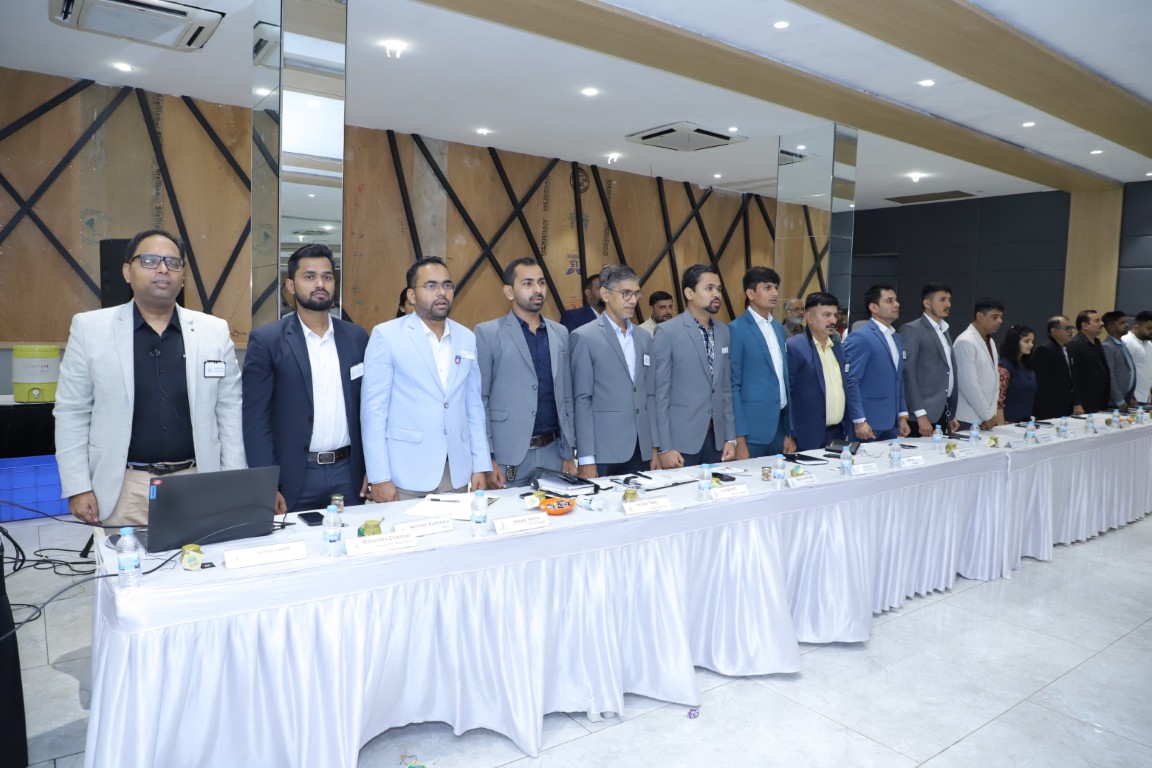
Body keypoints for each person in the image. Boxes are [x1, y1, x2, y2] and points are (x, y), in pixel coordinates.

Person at [54, 229, 245, 526]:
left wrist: (234, 481)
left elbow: (229, 412)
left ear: (183, 276)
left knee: (202, 557)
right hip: (123, 487)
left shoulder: (214, 331)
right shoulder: (90, 329)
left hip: (197, 480)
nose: (163, 269)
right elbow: (72, 413)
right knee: (124, 559)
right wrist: (78, 485)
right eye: (150, 261)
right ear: (127, 272)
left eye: (173, 262)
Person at [242, 244, 369, 514]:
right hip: (294, 477)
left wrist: (374, 468)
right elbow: (255, 420)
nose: (320, 284)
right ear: (290, 285)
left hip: (348, 473)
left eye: (327, 276)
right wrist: (266, 483)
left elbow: (368, 409)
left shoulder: (357, 338)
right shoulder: (267, 341)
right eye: (309, 276)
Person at [361, 256, 489, 501]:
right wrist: (379, 476)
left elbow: (473, 407)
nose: (441, 292)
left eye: (447, 285)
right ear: (411, 295)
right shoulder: (386, 335)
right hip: (405, 474)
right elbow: (373, 412)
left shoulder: (466, 337)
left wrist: (480, 464)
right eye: (431, 285)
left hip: (456, 473)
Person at [475, 258, 576, 488]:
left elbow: (567, 397)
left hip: (553, 454)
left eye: (541, 282)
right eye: (528, 283)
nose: (537, 289)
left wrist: (568, 452)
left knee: (557, 510)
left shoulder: (560, 333)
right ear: (509, 291)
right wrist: (487, 458)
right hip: (507, 457)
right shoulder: (488, 334)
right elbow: (480, 400)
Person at [571, 264, 658, 478]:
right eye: (626, 293)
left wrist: (654, 447)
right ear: (605, 294)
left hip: (640, 449)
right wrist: (586, 458)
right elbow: (582, 401)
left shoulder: (644, 337)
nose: (633, 300)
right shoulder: (584, 337)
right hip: (603, 451)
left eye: (636, 293)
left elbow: (650, 395)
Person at [652, 265, 736, 468]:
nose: (716, 294)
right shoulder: (667, 332)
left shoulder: (723, 331)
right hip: (680, 442)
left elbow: (725, 389)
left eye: (718, 289)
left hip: (717, 440)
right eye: (709, 288)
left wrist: (730, 438)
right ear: (689, 293)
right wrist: (664, 447)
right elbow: (659, 394)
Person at [729, 266, 794, 457]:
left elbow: (782, 380)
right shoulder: (736, 329)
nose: (774, 293)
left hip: (779, 430)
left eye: (775, 288)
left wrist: (787, 432)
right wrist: (739, 439)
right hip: (752, 432)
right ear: (750, 293)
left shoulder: (778, 328)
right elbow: (733, 385)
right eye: (767, 288)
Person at [843, 283, 910, 441]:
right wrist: (859, 420)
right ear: (874, 307)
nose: (896, 304)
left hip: (892, 423)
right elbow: (851, 381)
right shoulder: (861, 337)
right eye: (889, 301)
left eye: (896, 300)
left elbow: (898, 379)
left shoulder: (897, 338)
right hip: (867, 422)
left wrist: (902, 416)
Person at [786, 292, 848, 451]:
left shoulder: (837, 347)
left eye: (835, 315)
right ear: (810, 317)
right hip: (806, 437)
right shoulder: (795, 347)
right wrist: (789, 434)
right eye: (826, 315)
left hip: (837, 435)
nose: (833, 320)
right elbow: (787, 394)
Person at [899, 282, 960, 436]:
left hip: (943, 411)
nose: (948, 304)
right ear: (927, 303)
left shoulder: (944, 330)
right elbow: (908, 373)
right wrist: (920, 414)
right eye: (942, 299)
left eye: (949, 300)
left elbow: (947, 372)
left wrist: (951, 414)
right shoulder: (912, 329)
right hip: (921, 415)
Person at [954, 298, 1006, 430]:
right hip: (968, 418)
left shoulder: (990, 341)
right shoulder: (965, 341)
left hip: (986, 416)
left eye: (1001, 317)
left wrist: (991, 414)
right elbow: (969, 384)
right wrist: (987, 415)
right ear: (980, 316)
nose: (1000, 321)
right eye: (995, 317)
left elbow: (995, 382)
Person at [1030, 316, 1080, 419]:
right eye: (1067, 328)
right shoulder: (1045, 349)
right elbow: (1042, 384)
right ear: (1054, 331)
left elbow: (1071, 378)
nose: (1071, 331)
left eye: (1072, 328)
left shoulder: (1067, 348)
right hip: (1050, 408)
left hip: (1065, 404)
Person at [1066, 309, 1111, 414]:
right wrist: (1077, 403)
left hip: (1098, 402)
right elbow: (1073, 377)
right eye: (1097, 320)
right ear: (1085, 325)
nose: (1102, 323)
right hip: (1083, 403)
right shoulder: (1074, 345)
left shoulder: (1097, 343)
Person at [997, 325, 1037, 423]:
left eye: (1032, 341)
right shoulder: (1004, 367)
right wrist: (1001, 427)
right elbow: (998, 401)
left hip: (1025, 421)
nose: (1031, 345)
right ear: (1014, 342)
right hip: (1008, 422)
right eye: (1026, 341)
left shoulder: (1027, 366)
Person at [1100, 310, 1138, 409]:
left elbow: (1129, 371)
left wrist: (1131, 396)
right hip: (1115, 403)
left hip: (1126, 399)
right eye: (1122, 323)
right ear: (1111, 326)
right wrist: (1119, 400)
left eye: (1126, 322)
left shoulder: (1122, 344)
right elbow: (1110, 376)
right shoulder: (1108, 346)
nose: (1127, 325)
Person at [1122, 310, 1152, 404]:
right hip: (1131, 398)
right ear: (1137, 327)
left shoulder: (1149, 344)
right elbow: (1122, 372)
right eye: (1149, 328)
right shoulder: (1127, 341)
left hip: (1145, 398)